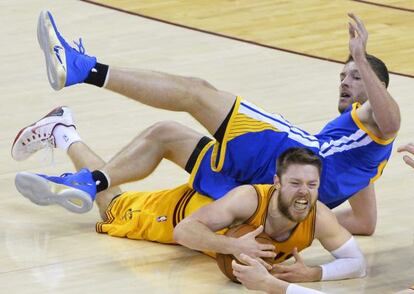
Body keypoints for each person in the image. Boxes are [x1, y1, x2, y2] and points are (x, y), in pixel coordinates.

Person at [12, 11, 400, 235]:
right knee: (165, 134)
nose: (346, 82)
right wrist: (306, 225)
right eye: (343, 75)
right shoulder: (364, 159)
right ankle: (88, 177)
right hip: (262, 195)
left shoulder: (375, 123)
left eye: (355, 76)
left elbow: (391, 119)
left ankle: (83, 69)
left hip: (282, 161)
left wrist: (362, 58)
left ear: (377, 86)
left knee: (197, 92)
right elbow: (365, 222)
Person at [14, 121, 366, 293]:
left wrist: (315, 274)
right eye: (295, 184)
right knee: (112, 207)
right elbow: (186, 232)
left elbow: (358, 264)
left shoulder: (318, 214)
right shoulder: (250, 198)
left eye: (312, 185)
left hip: (215, 218)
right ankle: (65, 134)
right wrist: (234, 245)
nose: (304, 193)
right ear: (277, 183)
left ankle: (74, 153)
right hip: (183, 213)